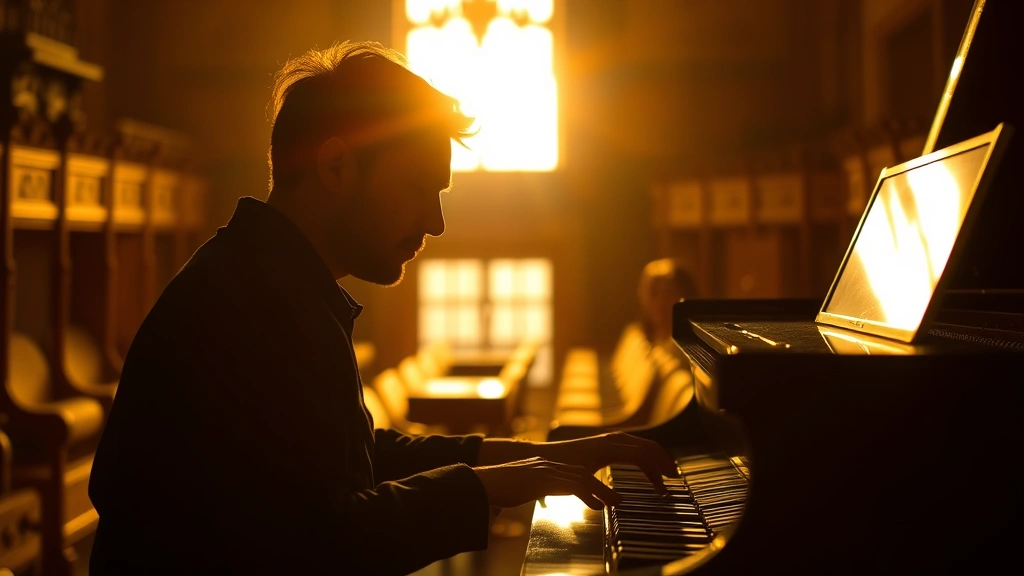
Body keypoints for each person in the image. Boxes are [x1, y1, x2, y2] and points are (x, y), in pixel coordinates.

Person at [88, 41, 678, 575]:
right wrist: (488, 488)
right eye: (419, 189)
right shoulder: (256, 305)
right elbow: (324, 539)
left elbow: (356, 459)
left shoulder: (270, 278)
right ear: (336, 166)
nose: (436, 221)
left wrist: (536, 458)